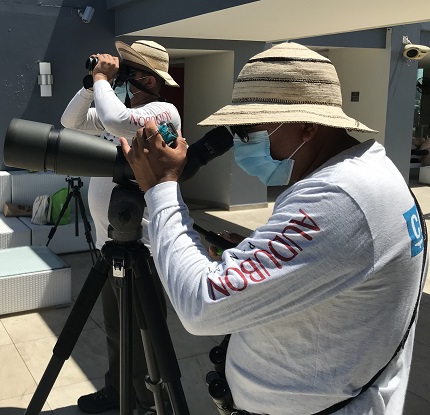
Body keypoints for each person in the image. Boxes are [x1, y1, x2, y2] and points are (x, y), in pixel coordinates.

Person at [121, 42, 426, 414]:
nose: (242, 140)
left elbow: (202, 306)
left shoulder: (338, 197)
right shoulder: (369, 170)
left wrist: (162, 187)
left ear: (308, 126)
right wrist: (264, 253)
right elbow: (340, 257)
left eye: (249, 128)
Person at [60, 40, 181, 414]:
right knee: (116, 329)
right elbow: (71, 122)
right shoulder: (121, 111)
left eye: (123, 74)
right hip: (110, 244)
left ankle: (145, 402)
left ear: (144, 79)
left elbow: (115, 120)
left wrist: (101, 79)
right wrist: (89, 86)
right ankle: (117, 390)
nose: (115, 81)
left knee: (144, 334)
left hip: (143, 251)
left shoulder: (164, 113)